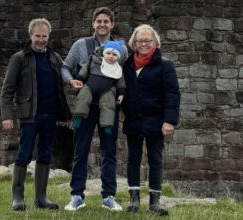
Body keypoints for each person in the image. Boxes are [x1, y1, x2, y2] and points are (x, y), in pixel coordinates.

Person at [0, 18, 71, 211]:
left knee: (46, 154)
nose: (41, 40)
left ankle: (41, 198)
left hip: (51, 115)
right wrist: (7, 115)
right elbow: (7, 89)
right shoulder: (19, 58)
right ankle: (17, 197)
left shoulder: (54, 57)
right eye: (37, 36)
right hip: (29, 115)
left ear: (49, 36)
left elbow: (67, 74)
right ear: (31, 35)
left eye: (44, 36)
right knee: (24, 154)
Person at [62, 7, 128, 212]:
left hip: (109, 107)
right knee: (80, 150)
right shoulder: (81, 45)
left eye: (106, 21)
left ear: (112, 24)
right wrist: (70, 81)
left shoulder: (122, 49)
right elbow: (65, 67)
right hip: (86, 107)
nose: (102, 25)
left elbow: (123, 78)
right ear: (93, 24)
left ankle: (109, 196)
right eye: (98, 21)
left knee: (109, 151)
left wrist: (124, 103)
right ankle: (77, 196)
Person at [121, 24, 180, 216]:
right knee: (133, 159)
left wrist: (169, 120)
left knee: (155, 159)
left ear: (155, 42)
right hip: (133, 119)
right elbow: (121, 89)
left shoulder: (165, 65)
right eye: (140, 41)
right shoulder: (127, 65)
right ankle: (134, 200)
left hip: (156, 120)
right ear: (134, 43)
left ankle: (154, 202)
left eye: (148, 40)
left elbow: (172, 94)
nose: (144, 44)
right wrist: (122, 109)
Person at [72, 40, 126, 134]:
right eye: (108, 53)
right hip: (90, 86)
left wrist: (121, 93)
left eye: (114, 55)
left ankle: (107, 126)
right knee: (83, 98)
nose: (110, 56)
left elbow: (121, 82)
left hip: (107, 89)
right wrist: (80, 79)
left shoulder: (118, 69)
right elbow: (84, 70)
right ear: (104, 53)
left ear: (118, 57)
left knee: (108, 105)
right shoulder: (93, 60)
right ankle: (78, 117)